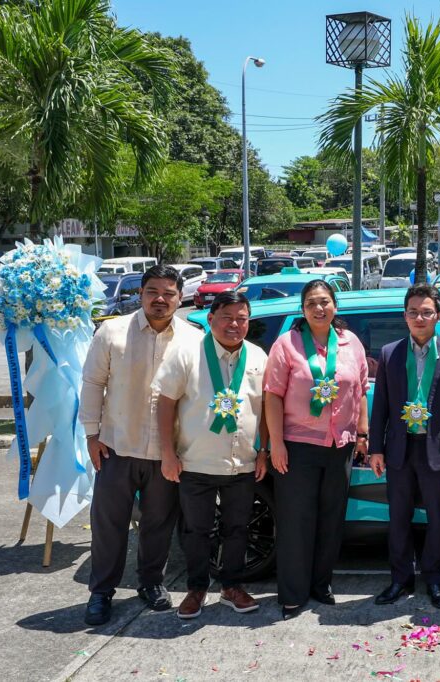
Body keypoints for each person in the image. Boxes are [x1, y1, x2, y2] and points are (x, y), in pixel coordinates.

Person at [79, 264, 201, 626]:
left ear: (180, 298)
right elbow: (91, 384)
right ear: (140, 294)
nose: (160, 299)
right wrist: (90, 435)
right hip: (117, 446)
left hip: (167, 452)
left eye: (168, 293)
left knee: (158, 524)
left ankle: (151, 583)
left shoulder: (193, 338)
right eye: (152, 292)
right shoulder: (112, 332)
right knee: (108, 525)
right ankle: (101, 591)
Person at [153, 291, 269, 619]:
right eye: (227, 317)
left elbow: (267, 409)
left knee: (237, 529)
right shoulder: (187, 354)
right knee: (196, 530)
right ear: (211, 318)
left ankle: (231, 586)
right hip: (195, 462)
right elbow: (165, 403)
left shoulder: (259, 357)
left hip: (243, 464)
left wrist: (264, 451)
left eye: (242, 319)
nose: (235, 324)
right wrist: (167, 453)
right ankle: (196, 588)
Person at [263, 279, 370, 620]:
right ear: (303, 309)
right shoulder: (287, 344)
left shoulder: (350, 342)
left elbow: (362, 389)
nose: (319, 308)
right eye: (311, 303)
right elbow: (272, 396)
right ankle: (293, 593)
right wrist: (276, 444)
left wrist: (363, 433)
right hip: (298, 447)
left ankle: (321, 584)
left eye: (325, 301)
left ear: (335, 305)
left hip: (340, 447)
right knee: (296, 521)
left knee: (331, 520)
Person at [368, 284, 440, 609]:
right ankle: (400, 580)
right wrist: (376, 448)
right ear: (405, 316)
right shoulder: (390, 353)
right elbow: (381, 405)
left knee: (438, 518)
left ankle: (436, 580)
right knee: (398, 518)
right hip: (399, 448)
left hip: (438, 449)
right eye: (413, 311)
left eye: (426, 311)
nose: (419, 317)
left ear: (437, 316)